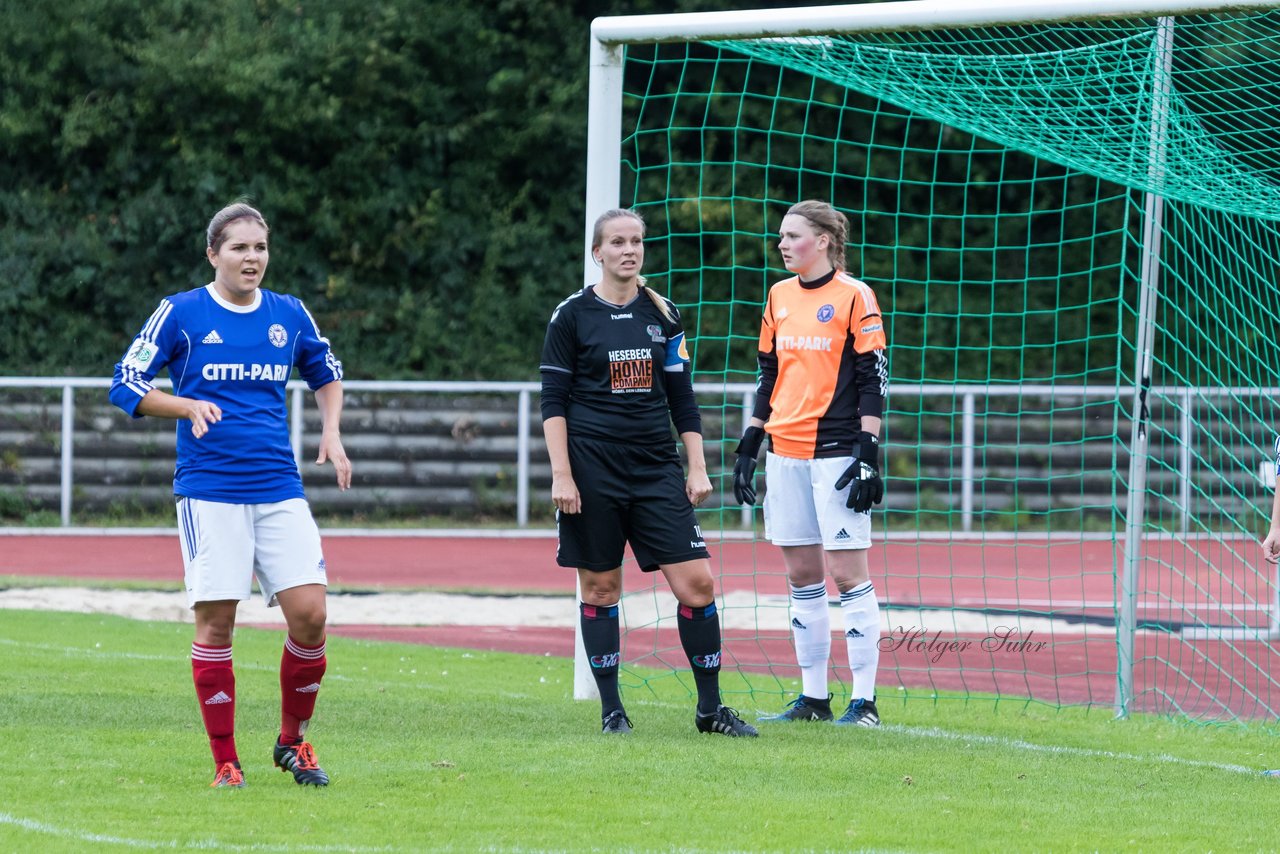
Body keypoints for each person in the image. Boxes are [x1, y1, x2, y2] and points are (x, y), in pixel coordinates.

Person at [109, 202, 352, 788]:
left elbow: (326, 371)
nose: (252, 258)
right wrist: (185, 403)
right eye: (240, 248)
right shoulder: (181, 313)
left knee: (312, 616)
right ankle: (226, 761)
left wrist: (332, 430)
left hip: (278, 486)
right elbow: (125, 383)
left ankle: (292, 743)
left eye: (260, 248)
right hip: (210, 492)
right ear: (213, 253)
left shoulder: (288, 314)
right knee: (218, 624)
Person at [540, 207, 757, 738]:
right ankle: (612, 711)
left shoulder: (664, 314)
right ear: (598, 253)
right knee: (600, 589)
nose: (629, 250)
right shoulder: (571, 316)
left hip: (656, 467)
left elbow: (683, 399)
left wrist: (698, 465)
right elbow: (553, 403)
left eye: (636, 241)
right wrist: (562, 475)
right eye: (617, 242)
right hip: (592, 470)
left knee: (698, 586)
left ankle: (710, 710)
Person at [732, 199, 887, 727]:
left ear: (823, 240)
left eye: (792, 235)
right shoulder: (777, 296)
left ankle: (864, 702)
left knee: (847, 573)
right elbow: (767, 374)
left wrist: (868, 452)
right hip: (785, 452)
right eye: (781, 235)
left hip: (838, 453)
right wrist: (749, 445)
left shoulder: (855, 296)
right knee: (802, 574)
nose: (782, 243)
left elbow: (872, 378)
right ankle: (814, 699)